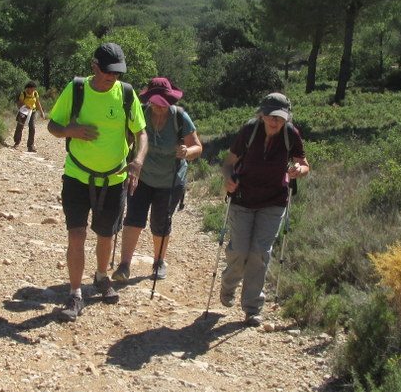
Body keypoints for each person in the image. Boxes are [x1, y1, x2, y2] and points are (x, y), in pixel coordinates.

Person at [47, 43, 148, 322]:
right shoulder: (76, 89)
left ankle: (102, 277)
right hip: (77, 176)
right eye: (107, 72)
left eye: (117, 73)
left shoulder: (126, 94)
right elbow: (53, 126)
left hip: (114, 179)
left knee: (106, 235)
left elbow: (141, 134)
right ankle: (76, 293)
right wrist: (72, 130)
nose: (112, 77)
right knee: (76, 234)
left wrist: (137, 162)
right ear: (94, 67)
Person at [220, 92, 310, 326]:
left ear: (287, 119)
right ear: (261, 114)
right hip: (242, 198)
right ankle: (228, 284)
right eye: (270, 116)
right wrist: (229, 178)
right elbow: (229, 164)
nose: (274, 121)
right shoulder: (250, 130)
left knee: (260, 253)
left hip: (274, 200)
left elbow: (303, 162)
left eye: (279, 118)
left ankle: (252, 308)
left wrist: (299, 170)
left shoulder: (291, 135)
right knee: (239, 251)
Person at [112, 77, 202, 284]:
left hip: (170, 180)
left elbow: (197, 147)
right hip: (141, 177)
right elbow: (125, 137)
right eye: (155, 102)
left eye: (163, 103)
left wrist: (186, 152)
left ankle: (159, 261)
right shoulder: (141, 113)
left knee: (161, 222)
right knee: (133, 218)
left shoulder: (180, 117)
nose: (158, 106)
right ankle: (124, 264)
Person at [13, 80, 46, 152]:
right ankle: (17, 142)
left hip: (33, 112)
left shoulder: (35, 93)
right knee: (20, 127)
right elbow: (19, 104)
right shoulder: (23, 94)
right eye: (32, 89)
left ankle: (30, 146)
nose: (33, 90)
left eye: (34, 89)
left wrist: (42, 112)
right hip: (24, 112)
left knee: (32, 128)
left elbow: (37, 103)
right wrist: (26, 106)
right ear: (28, 88)